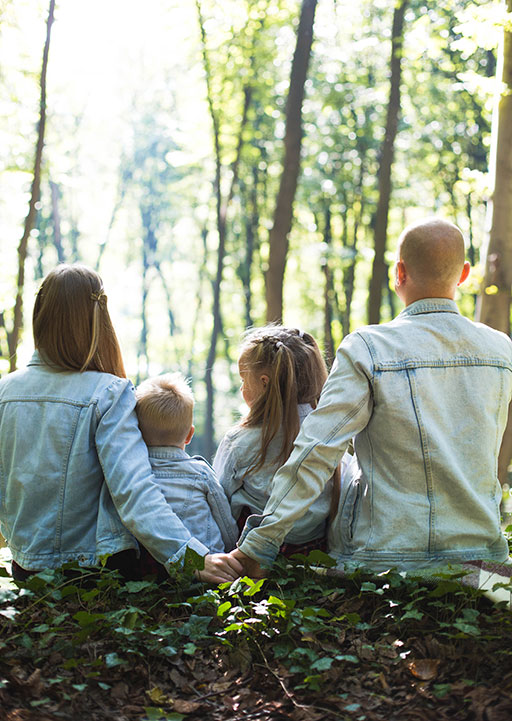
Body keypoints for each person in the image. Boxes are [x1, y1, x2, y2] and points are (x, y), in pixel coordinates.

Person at [231, 218, 512, 576]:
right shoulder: (501, 350)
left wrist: (260, 544)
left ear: (399, 273)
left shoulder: (369, 348)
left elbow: (317, 451)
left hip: (383, 559)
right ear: (464, 275)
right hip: (482, 561)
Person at [0, 264, 242, 584]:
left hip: (25, 568)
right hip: (91, 571)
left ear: (40, 315)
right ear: (98, 320)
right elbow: (133, 490)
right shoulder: (108, 393)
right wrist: (190, 557)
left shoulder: (5, 390)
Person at [214, 325, 349, 554]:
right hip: (314, 550)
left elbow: (219, 500)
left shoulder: (239, 441)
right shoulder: (331, 434)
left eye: (244, 379)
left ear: (264, 382)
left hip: (254, 554)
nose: (241, 387)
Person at [135, 372, 238, 556]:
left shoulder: (133, 474)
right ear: (190, 435)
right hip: (208, 562)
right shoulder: (200, 473)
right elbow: (225, 522)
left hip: (153, 568)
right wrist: (231, 551)